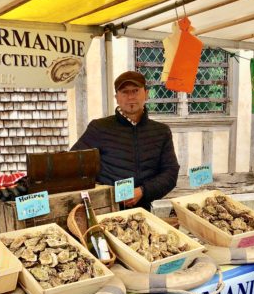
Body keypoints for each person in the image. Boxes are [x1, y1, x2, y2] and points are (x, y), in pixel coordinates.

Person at [71, 70, 179, 211]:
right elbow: (74, 161)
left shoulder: (161, 132)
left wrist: (143, 191)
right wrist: (99, 191)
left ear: (146, 94)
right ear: (117, 97)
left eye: (135, 91)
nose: (130, 97)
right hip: (105, 210)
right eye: (125, 92)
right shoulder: (99, 128)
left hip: (142, 210)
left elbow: (170, 173)